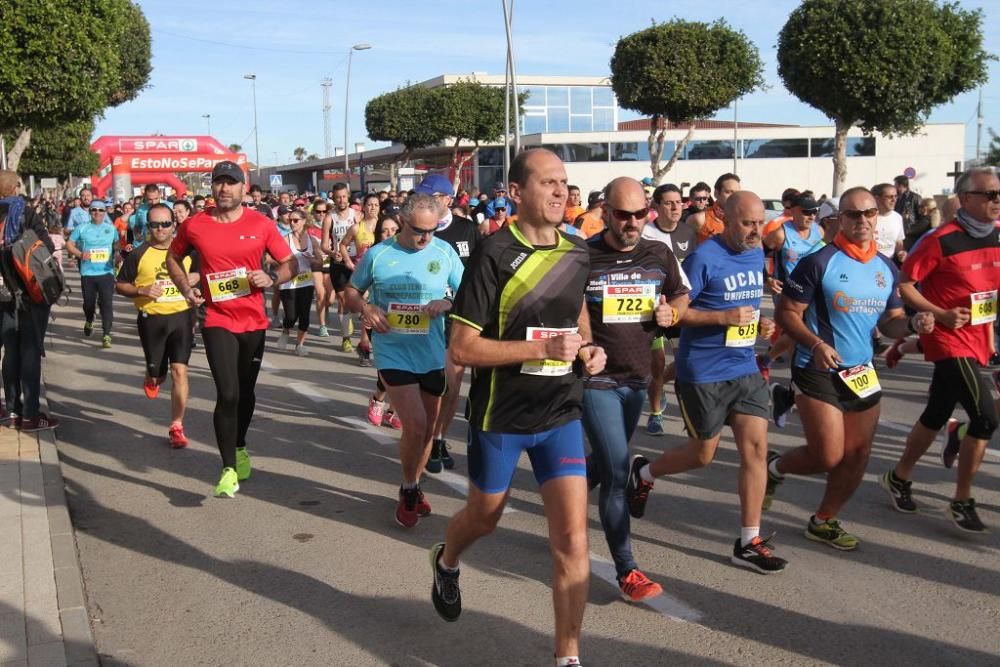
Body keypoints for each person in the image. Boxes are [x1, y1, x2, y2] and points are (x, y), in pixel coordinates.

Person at [429, 148, 606, 667]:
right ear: (516, 192)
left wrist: (587, 349)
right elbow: (462, 349)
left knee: (573, 540)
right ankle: (448, 558)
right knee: (485, 518)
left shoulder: (577, 252)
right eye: (548, 183)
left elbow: (575, 316)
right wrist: (541, 349)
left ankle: (567, 657)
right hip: (500, 418)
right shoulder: (493, 255)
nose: (561, 193)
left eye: (565, 184)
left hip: (561, 414)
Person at [627, 191, 788, 575]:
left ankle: (749, 540)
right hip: (702, 372)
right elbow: (678, 315)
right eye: (747, 223)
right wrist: (723, 318)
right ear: (725, 219)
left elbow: (744, 305)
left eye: (759, 222)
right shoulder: (703, 258)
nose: (755, 231)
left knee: (755, 448)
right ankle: (645, 473)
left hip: (744, 367)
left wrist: (760, 325)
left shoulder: (754, 252)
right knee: (703, 455)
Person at [765, 187, 934, 549]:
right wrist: (816, 343)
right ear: (840, 219)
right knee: (827, 455)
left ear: (877, 217)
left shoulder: (886, 268)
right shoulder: (820, 261)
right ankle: (773, 469)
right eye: (853, 215)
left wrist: (912, 326)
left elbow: (890, 322)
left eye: (869, 214)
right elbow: (786, 314)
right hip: (817, 366)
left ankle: (824, 520)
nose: (862, 221)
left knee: (858, 455)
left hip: (860, 371)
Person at [583, 177, 689, 601]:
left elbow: (680, 297)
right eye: (622, 215)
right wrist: (586, 343)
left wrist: (671, 314)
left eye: (638, 215)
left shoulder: (658, 252)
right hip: (597, 380)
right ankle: (627, 569)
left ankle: (563, 489)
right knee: (617, 470)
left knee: (608, 460)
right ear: (605, 211)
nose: (631, 223)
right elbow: (569, 307)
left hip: (638, 378)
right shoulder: (584, 255)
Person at [880, 167, 1000, 533]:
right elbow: (907, 286)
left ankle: (898, 477)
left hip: (978, 335)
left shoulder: (996, 235)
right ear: (965, 199)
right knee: (985, 417)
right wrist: (940, 314)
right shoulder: (940, 239)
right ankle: (962, 500)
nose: (997, 201)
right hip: (948, 338)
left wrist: (991, 330)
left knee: (936, 413)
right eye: (989, 195)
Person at [166, 161, 295, 498]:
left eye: (231, 183)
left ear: (243, 188)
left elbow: (290, 264)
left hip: (253, 321)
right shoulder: (196, 225)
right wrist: (184, 287)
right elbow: (172, 257)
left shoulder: (262, 224)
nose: (224, 189)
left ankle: (239, 445)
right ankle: (227, 469)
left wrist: (272, 278)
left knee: (246, 392)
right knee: (228, 393)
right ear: (212, 188)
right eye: (218, 183)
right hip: (216, 319)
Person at [344, 193, 464, 527]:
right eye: (419, 231)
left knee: (426, 432)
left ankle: (411, 483)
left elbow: (468, 292)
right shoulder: (380, 255)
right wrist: (366, 308)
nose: (426, 237)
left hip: (431, 351)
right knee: (416, 424)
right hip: (393, 351)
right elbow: (351, 292)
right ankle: (410, 489)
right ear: (402, 223)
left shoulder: (444, 252)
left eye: (432, 231)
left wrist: (449, 303)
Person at [115, 203, 200, 447]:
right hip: (151, 320)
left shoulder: (189, 252)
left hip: (181, 317)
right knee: (157, 376)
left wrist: (196, 282)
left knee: (180, 371)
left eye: (165, 224)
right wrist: (141, 289)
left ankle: (177, 425)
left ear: (174, 224)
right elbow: (120, 285)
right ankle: (152, 374)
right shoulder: (138, 254)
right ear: (148, 227)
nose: (160, 229)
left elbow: (202, 275)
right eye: (155, 224)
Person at [0, 170, 59, 431]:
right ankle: (31, 415)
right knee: (30, 350)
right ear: (14, 188)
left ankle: (11, 410)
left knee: (10, 351)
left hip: (2, 294)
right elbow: (46, 246)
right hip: (30, 291)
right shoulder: (25, 212)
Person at [640, 183, 696, 434]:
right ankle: (655, 414)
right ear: (657, 206)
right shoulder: (646, 234)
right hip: (651, 308)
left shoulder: (687, 232)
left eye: (679, 202)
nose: (676, 207)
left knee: (685, 362)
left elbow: (691, 271)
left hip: (679, 306)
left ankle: (658, 386)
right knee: (658, 362)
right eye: (669, 203)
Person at [66, 200, 119, 348]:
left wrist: (119, 252)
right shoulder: (81, 228)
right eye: (94, 210)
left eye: (101, 210)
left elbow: (117, 245)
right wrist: (80, 254)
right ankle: (89, 319)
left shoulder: (111, 229)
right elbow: (69, 244)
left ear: (105, 212)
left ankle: (106, 333)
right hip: (88, 273)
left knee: (107, 304)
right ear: (90, 212)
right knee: (89, 304)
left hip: (106, 272)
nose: (97, 212)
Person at [340, 194, 380, 364]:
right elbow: (343, 245)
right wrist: (349, 262)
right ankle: (364, 345)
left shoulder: (386, 227)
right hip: (363, 273)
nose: (372, 208)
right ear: (363, 207)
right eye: (369, 204)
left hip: (382, 274)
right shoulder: (357, 228)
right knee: (366, 308)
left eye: (376, 205)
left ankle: (372, 344)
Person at [277, 210, 324, 356]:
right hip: (288, 283)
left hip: (306, 282)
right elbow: (274, 259)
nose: (292, 223)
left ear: (304, 221)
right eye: (290, 220)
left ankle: (299, 344)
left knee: (304, 317)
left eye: (296, 220)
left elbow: (320, 261)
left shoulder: (312, 240)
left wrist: (313, 260)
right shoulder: (285, 240)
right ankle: (286, 330)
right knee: (291, 316)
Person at [321, 183, 359, 352]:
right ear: (333, 198)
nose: (341, 200)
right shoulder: (329, 217)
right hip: (338, 264)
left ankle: (350, 322)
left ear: (348, 196)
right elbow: (323, 245)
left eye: (344, 196)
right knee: (343, 300)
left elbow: (363, 235)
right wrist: (331, 252)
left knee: (354, 300)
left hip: (355, 263)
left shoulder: (356, 215)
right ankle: (346, 338)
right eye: (338, 197)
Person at [689, 173, 740, 244]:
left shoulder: (744, 219)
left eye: (737, 192)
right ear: (716, 193)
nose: (734, 196)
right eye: (728, 192)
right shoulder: (700, 219)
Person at [870, 183, 906, 264]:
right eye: (890, 197)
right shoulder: (868, 217)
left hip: (890, 262)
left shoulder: (898, 217)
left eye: (896, 196)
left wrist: (901, 252)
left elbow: (898, 241)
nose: (894, 200)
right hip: (869, 262)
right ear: (877, 199)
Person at [129, 184, 172, 249]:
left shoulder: (170, 206)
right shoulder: (141, 209)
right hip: (147, 246)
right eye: (150, 199)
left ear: (160, 194)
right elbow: (137, 226)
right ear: (145, 197)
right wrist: (137, 235)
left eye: (156, 198)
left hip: (166, 246)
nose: (153, 202)